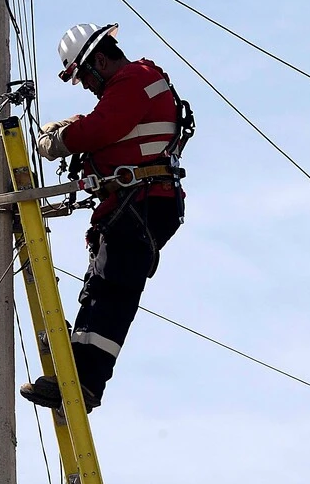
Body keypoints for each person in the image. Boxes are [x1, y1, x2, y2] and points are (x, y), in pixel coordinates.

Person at [20, 23, 191, 412]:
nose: (85, 86)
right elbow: (109, 121)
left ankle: (85, 382)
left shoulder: (135, 78)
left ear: (99, 59)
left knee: (111, 293)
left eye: (83, 77)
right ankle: (77, 373)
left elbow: (104, 126)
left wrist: (62, 140)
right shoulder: (134, 85)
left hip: (142, 202)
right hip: (135, 204)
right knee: (102, 288)